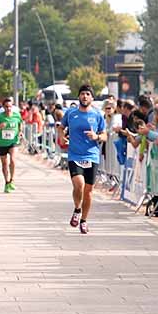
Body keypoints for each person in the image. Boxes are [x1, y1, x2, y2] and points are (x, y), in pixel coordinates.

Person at [62, 85, 106, 231]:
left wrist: (97, 136)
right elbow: (61, 127)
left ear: (92, 98)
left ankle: (84, 220)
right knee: (79, 185)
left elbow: (105, 135)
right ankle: (77, 209)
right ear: (78, 97)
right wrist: (61, 136)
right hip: (74, 155)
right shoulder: (70, 113)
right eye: (82, 94)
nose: (85, 96)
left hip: (92, 156)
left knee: (88, 191)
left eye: (88, 94)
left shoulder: (97, 115)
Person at [0, 98, 22, 192]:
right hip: (3, 143)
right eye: (6, 107)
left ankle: (12, 179)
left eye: (10, 107)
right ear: (3, 107)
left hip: (13, 142)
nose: (8, 108)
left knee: (12, 160)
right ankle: (7, 182)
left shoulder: (16, 116)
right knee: (4, 164)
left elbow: (20, 124)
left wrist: (20, 132)